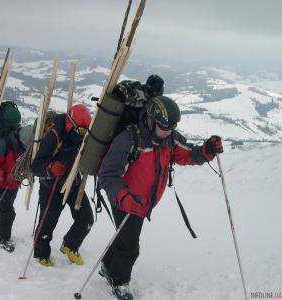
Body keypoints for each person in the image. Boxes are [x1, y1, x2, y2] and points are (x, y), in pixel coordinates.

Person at [97, 92, 223, 300]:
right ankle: (119, 282)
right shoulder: (129, 138)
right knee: (130, 246)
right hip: (125, 201)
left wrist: (207, 151)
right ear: (150, 119)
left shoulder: (169, 139)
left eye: (172, 127)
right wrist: (125, 198)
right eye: (164, 127)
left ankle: (107, 266)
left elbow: (187, 154)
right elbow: (108, 175)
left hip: (143, 201)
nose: (168, 132)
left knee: (124, 237)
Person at [31, 104, 94, 267]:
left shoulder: (80, 136)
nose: (82, 135)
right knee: (48, 222)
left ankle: (70, 246)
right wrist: (50, 168)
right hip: (51, 184)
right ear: (70, 123)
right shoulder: (53, 135)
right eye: (80, 131)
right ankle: (41, 253)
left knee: (86, 218)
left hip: (72, 181)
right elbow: (35, 166)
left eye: (85, 132)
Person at [0, 129, 27, 253]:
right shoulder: (3, 144)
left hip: (13, 184)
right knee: (8, 211)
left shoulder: (24, 146)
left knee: (5, 208)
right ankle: (4, 238)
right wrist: (4, 175)